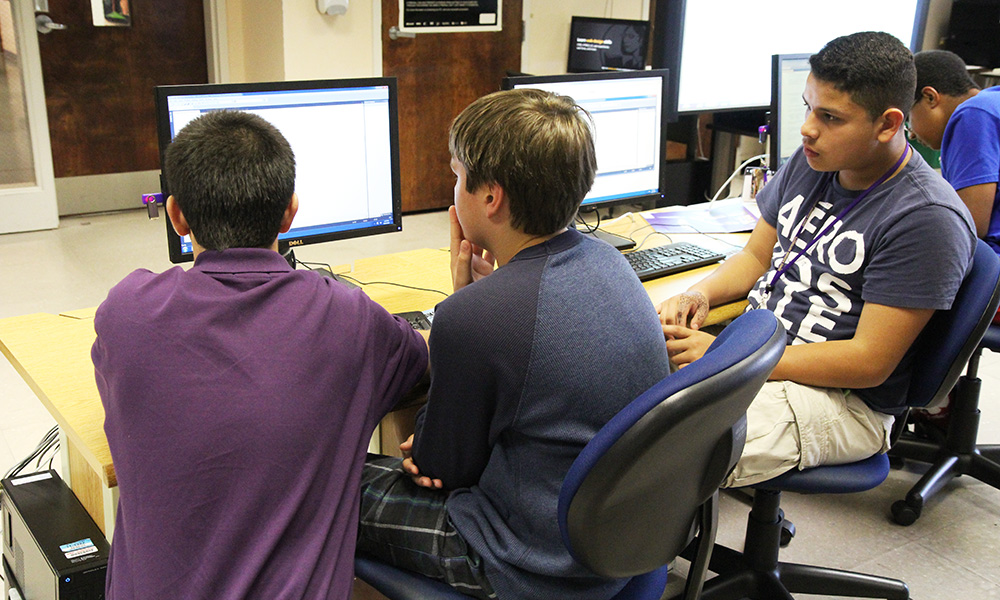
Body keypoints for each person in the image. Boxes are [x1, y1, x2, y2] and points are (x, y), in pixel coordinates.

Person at [92, 110, 428, 600]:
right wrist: (468, 302)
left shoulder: (126, 314)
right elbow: (420, 363)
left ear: (177, 216)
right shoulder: (348, 318)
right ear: (291, 212)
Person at [356, 89, 671, 600]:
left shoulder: (474, 320)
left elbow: (442, 469)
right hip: (616, 536)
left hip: (527, 560)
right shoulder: (611, 262)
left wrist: (466, 310)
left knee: (328, 486)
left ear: (491, 197)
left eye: (457, 176)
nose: (453, 189)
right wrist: (476, 301)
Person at [659, 32, 977, 488]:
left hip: (842, 399)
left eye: (829, 117)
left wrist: (731, 358)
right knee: (604, 389)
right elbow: (754, 256)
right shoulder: (814, 161)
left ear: (888, 124)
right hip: (754, 353)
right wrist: (698, 293)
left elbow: (869, 362)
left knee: (652, 451)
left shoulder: (926, 218)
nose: (808, 128)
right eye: (809, 107)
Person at [909, 50, 1000, 323]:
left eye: (907, 117)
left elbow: (970, 226)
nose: (911, 133)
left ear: (930, 97)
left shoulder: (971, 114)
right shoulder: (992, 99)